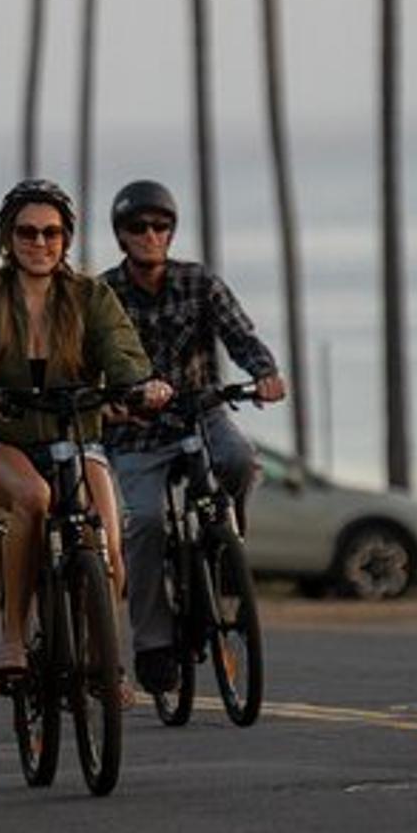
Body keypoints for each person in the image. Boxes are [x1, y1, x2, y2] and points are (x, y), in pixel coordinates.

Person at [0, 179, 171, 682]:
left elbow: (122, 350)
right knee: (35, 497)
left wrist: (139, 384)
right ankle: (14, 639)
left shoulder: (91, 297)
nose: (39, 244)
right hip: (2, 440)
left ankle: (103, 663)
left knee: (110, 553)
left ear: (66, 239)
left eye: (51, 233)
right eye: (27, 233)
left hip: (77, 438)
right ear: (7, 238)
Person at [99, 180, 287, 696]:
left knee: (239, 461)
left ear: (171, 231)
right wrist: (111, 402)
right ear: (121, 235)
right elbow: (85, 359)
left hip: (202, 413)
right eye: (138, 227)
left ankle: (226, 552)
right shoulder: (104, 294)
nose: (150, 235)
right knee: (145, 525)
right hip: (137, 432)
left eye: (160, 226)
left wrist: (265, 373)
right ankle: (153, 642)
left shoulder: (199, 282)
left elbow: (241, 335)